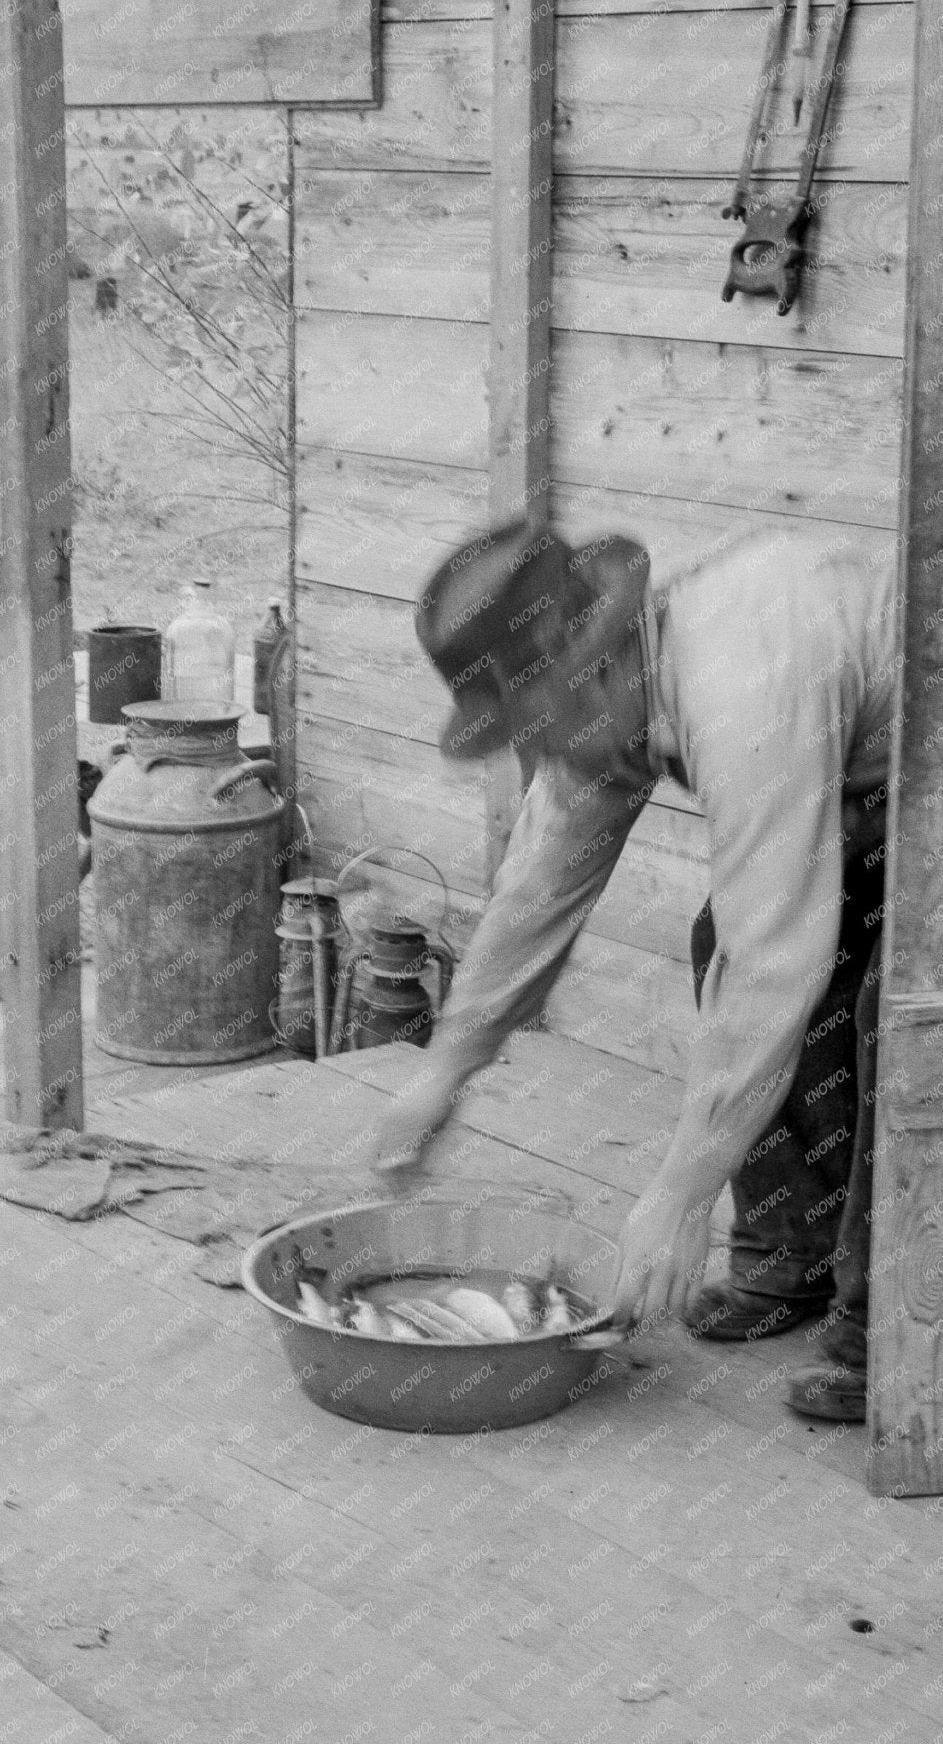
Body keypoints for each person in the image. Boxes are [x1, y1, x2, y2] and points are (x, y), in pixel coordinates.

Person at [367, 516, 895, 1421]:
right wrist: (443, 1072)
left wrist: (681, 1193)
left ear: (595, 663)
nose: (538, 749)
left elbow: (774, 959)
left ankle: (892, 1322)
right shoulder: (604, 702)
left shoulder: (741, 684)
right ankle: (792, 1252)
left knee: (894, 1000)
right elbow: (539, 890)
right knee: (721, 945)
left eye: (535, 722)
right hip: (861, 768)